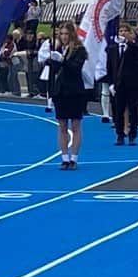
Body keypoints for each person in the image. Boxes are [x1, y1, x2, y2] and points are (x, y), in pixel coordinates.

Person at [48, 22, 88, 170]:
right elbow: (55, 70)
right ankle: (64, 157)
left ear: (72, 34)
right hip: (61, 92)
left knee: (76, 125)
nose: (64, 36)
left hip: (74, 91)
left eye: (66, 34)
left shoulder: (80, 50)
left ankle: (74, 157)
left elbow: (75, 68)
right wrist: (51, 61)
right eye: (62, 34)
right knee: (62, 125)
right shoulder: (58, 49)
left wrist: (62, 60)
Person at [106, 23, 138, 146]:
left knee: (133, 110)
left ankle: (132, 135)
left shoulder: (136, 47)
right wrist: (111, 83)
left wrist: (131, 43)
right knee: (118, 110)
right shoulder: (113, 48)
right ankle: (120, 134)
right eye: (121, 31)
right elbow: (110, 67)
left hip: (132, 83)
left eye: (125, 31)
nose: (123, 33)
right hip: (118, 84)